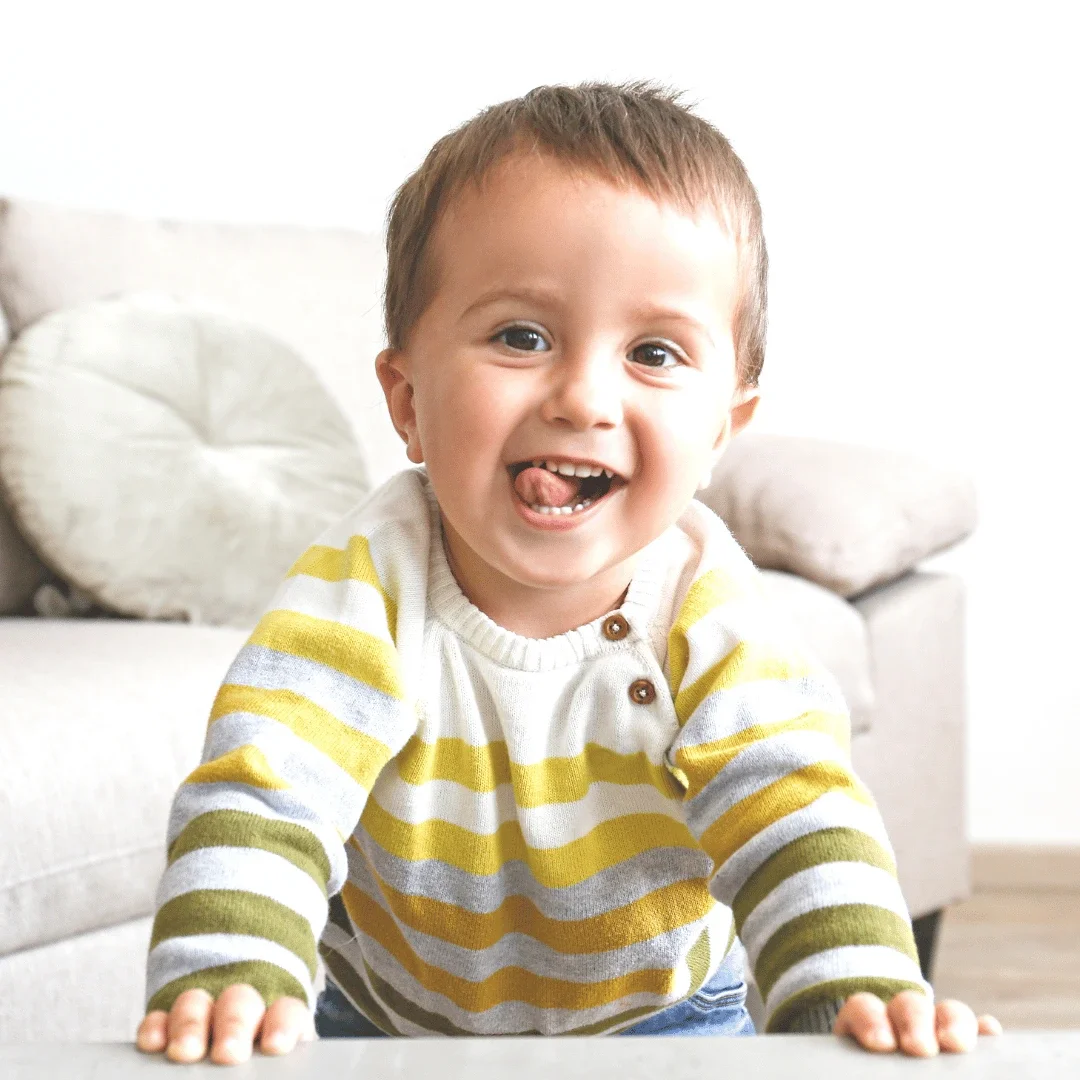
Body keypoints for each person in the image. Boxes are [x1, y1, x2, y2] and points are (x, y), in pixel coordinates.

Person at [136, 82, 1001, 1064]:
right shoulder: (364, 584)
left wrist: (856, 992)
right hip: (384, 1022)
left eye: (654, 352)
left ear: (721, 432)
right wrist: (235, 972)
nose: (583, 396)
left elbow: (795, 808)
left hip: (668, 1018)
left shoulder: (706, 609)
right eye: (521, 336)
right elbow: (268, 786)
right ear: (408, 398)